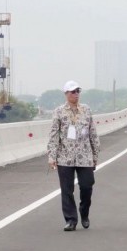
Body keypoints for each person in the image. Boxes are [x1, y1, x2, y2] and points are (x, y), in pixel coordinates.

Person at [47, 80, 100, 231]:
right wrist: (52, 155)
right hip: (65, 156)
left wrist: (95, 155)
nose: (76, 94)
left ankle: (84, 211)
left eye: (78, 91)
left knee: (87, 186)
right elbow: (54, 135)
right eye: (72, 92)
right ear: (66, 94)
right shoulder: (59, 111)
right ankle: (71, 219)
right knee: (67, 189)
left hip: (85, 156)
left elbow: (93, 133)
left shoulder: (86, 110)